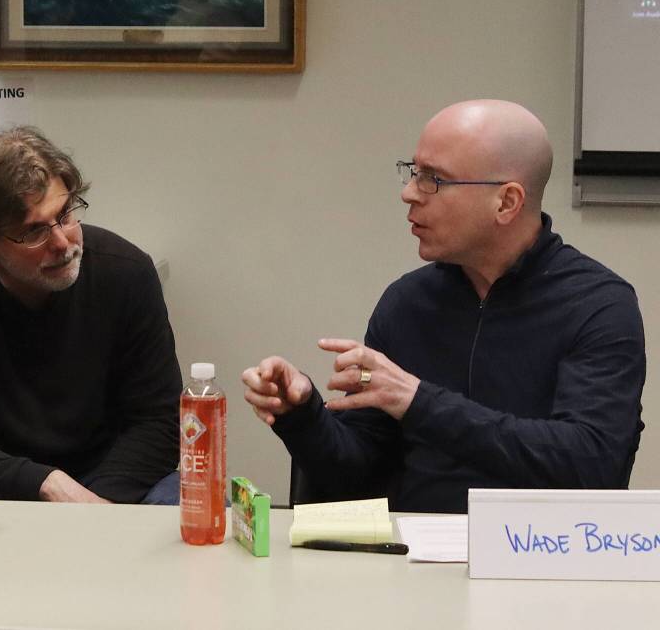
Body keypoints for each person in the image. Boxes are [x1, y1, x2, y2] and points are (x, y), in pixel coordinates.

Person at [242, 99, 646, 513]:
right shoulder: (407, 304)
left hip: (543, 555)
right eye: (414, 172)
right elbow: (355, 475)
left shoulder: (598, 305)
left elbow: (591, 466)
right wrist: (302, 414)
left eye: (434, 179)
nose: (408, 193)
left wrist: (419, 403)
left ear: (507, 202)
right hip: (413, 558)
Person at [0, 126, 181, 504]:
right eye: (34, 231)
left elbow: (160, 421)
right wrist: (44, 483)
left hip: (112, 485)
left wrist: (94, 506)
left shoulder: (127, 272)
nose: (63, 243)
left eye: (65, 214)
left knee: (190, 505)